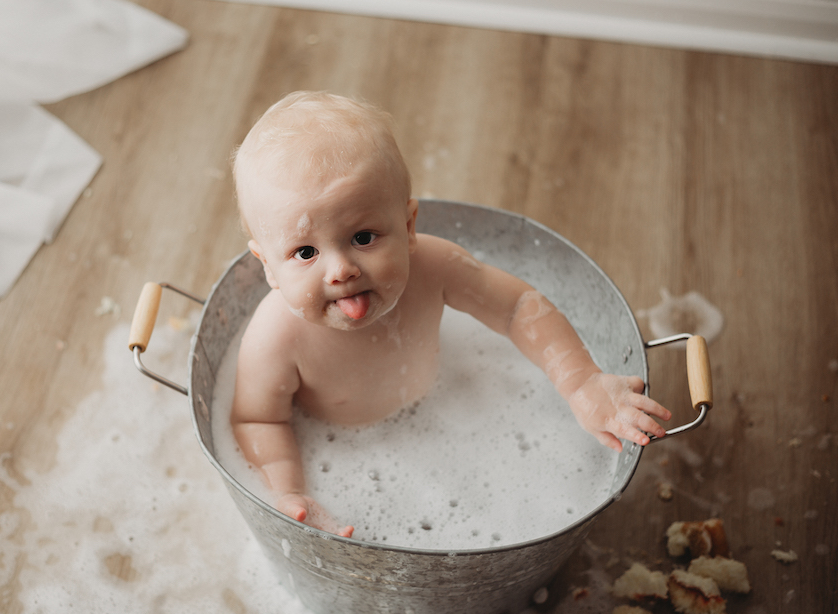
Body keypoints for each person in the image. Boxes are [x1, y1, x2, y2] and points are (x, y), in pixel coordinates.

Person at [230, 91, 670, 537]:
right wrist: (288, 494)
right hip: (348, 458)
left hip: (450, 427)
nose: (341, 269)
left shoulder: (435, 268)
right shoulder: (275, 337)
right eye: (305, 252)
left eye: (363, 237)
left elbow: (517, 308)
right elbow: (258, 419)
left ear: (408, 227)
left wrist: (582, 383)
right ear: (268, 266)